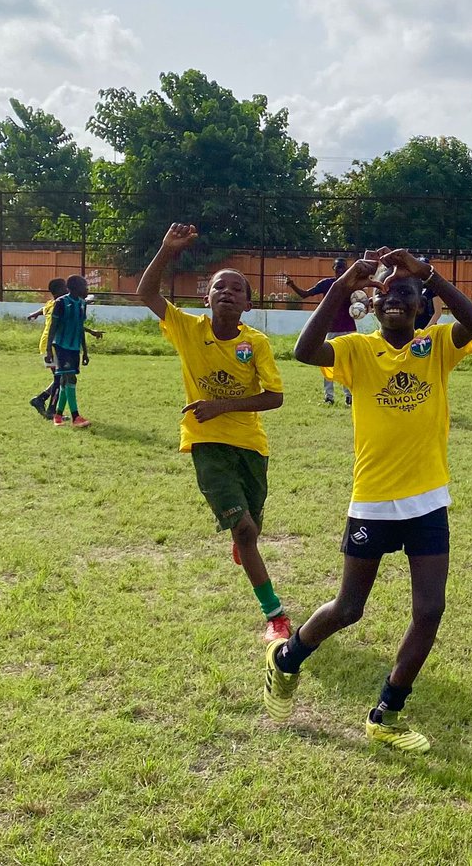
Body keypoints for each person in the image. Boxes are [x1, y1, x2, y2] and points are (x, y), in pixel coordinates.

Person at [265, 247, 472, 753]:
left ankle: (387, 711)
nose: (395, 302)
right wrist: (344, 284)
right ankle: (286, 659)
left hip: (428, 502)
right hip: (371, 503)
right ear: (374, 304)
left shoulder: (438, 346)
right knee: (348, 609)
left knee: (430, 610)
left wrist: (427, 274)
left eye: (406, 295)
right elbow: (303, 351)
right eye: (386, 294)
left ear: (420, 307)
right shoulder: (358, 351)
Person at [137, 223, 293, 642]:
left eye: (236, 289)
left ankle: (243, 538)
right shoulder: (189, 329)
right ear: (206, 297)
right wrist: (167, 250)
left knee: (251, 531)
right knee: (245, 532)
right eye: (219, 287)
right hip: (206, 443)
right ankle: (276, 616)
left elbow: (274, 397)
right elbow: (146, 294)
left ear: (247, 302)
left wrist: (222, 405)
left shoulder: (256, 343)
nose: (227, 293)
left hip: (251, 447)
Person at [283, 259, 355, 405]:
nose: (340, 271)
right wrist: (292, 285)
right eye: (337, 268)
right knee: (328, 363)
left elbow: (361, 301)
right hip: (331, 329)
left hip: (349, 329)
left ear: (347, 269)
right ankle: (329, 397)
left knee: (348, 364)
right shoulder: (327, 284)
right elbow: (305, 294)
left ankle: (349, 396)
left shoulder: (352, 285)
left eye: (343, 268)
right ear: (333, 269)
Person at [45, 274, 93, 428]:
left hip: (74, 348)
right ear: (76, 288)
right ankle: (75, 417)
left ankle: (58, 416)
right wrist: (48, 349)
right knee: (70, 378)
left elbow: (80, 328)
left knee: (68, 381)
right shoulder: (61, 303)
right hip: (61, 346)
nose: (87, 289)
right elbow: (53, 326)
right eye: (85, 286)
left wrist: (84, 351)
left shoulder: (82, 304)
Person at [28, 277, 68, 419]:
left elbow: (43, 309)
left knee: (61, 377)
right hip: (50, 345)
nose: (68, 289)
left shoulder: (53, 303)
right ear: (59, 291)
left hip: (49, 343)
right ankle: (50, 409)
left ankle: (41, 400)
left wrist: (34, 314)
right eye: (65, 287)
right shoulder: (59, 304)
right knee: (61, 378)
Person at [414, 256, 444, 329]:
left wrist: (426, 329)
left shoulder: (432, 288)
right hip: (412, 330)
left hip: (428, 329)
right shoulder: (413, 287)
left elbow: (438, 312)